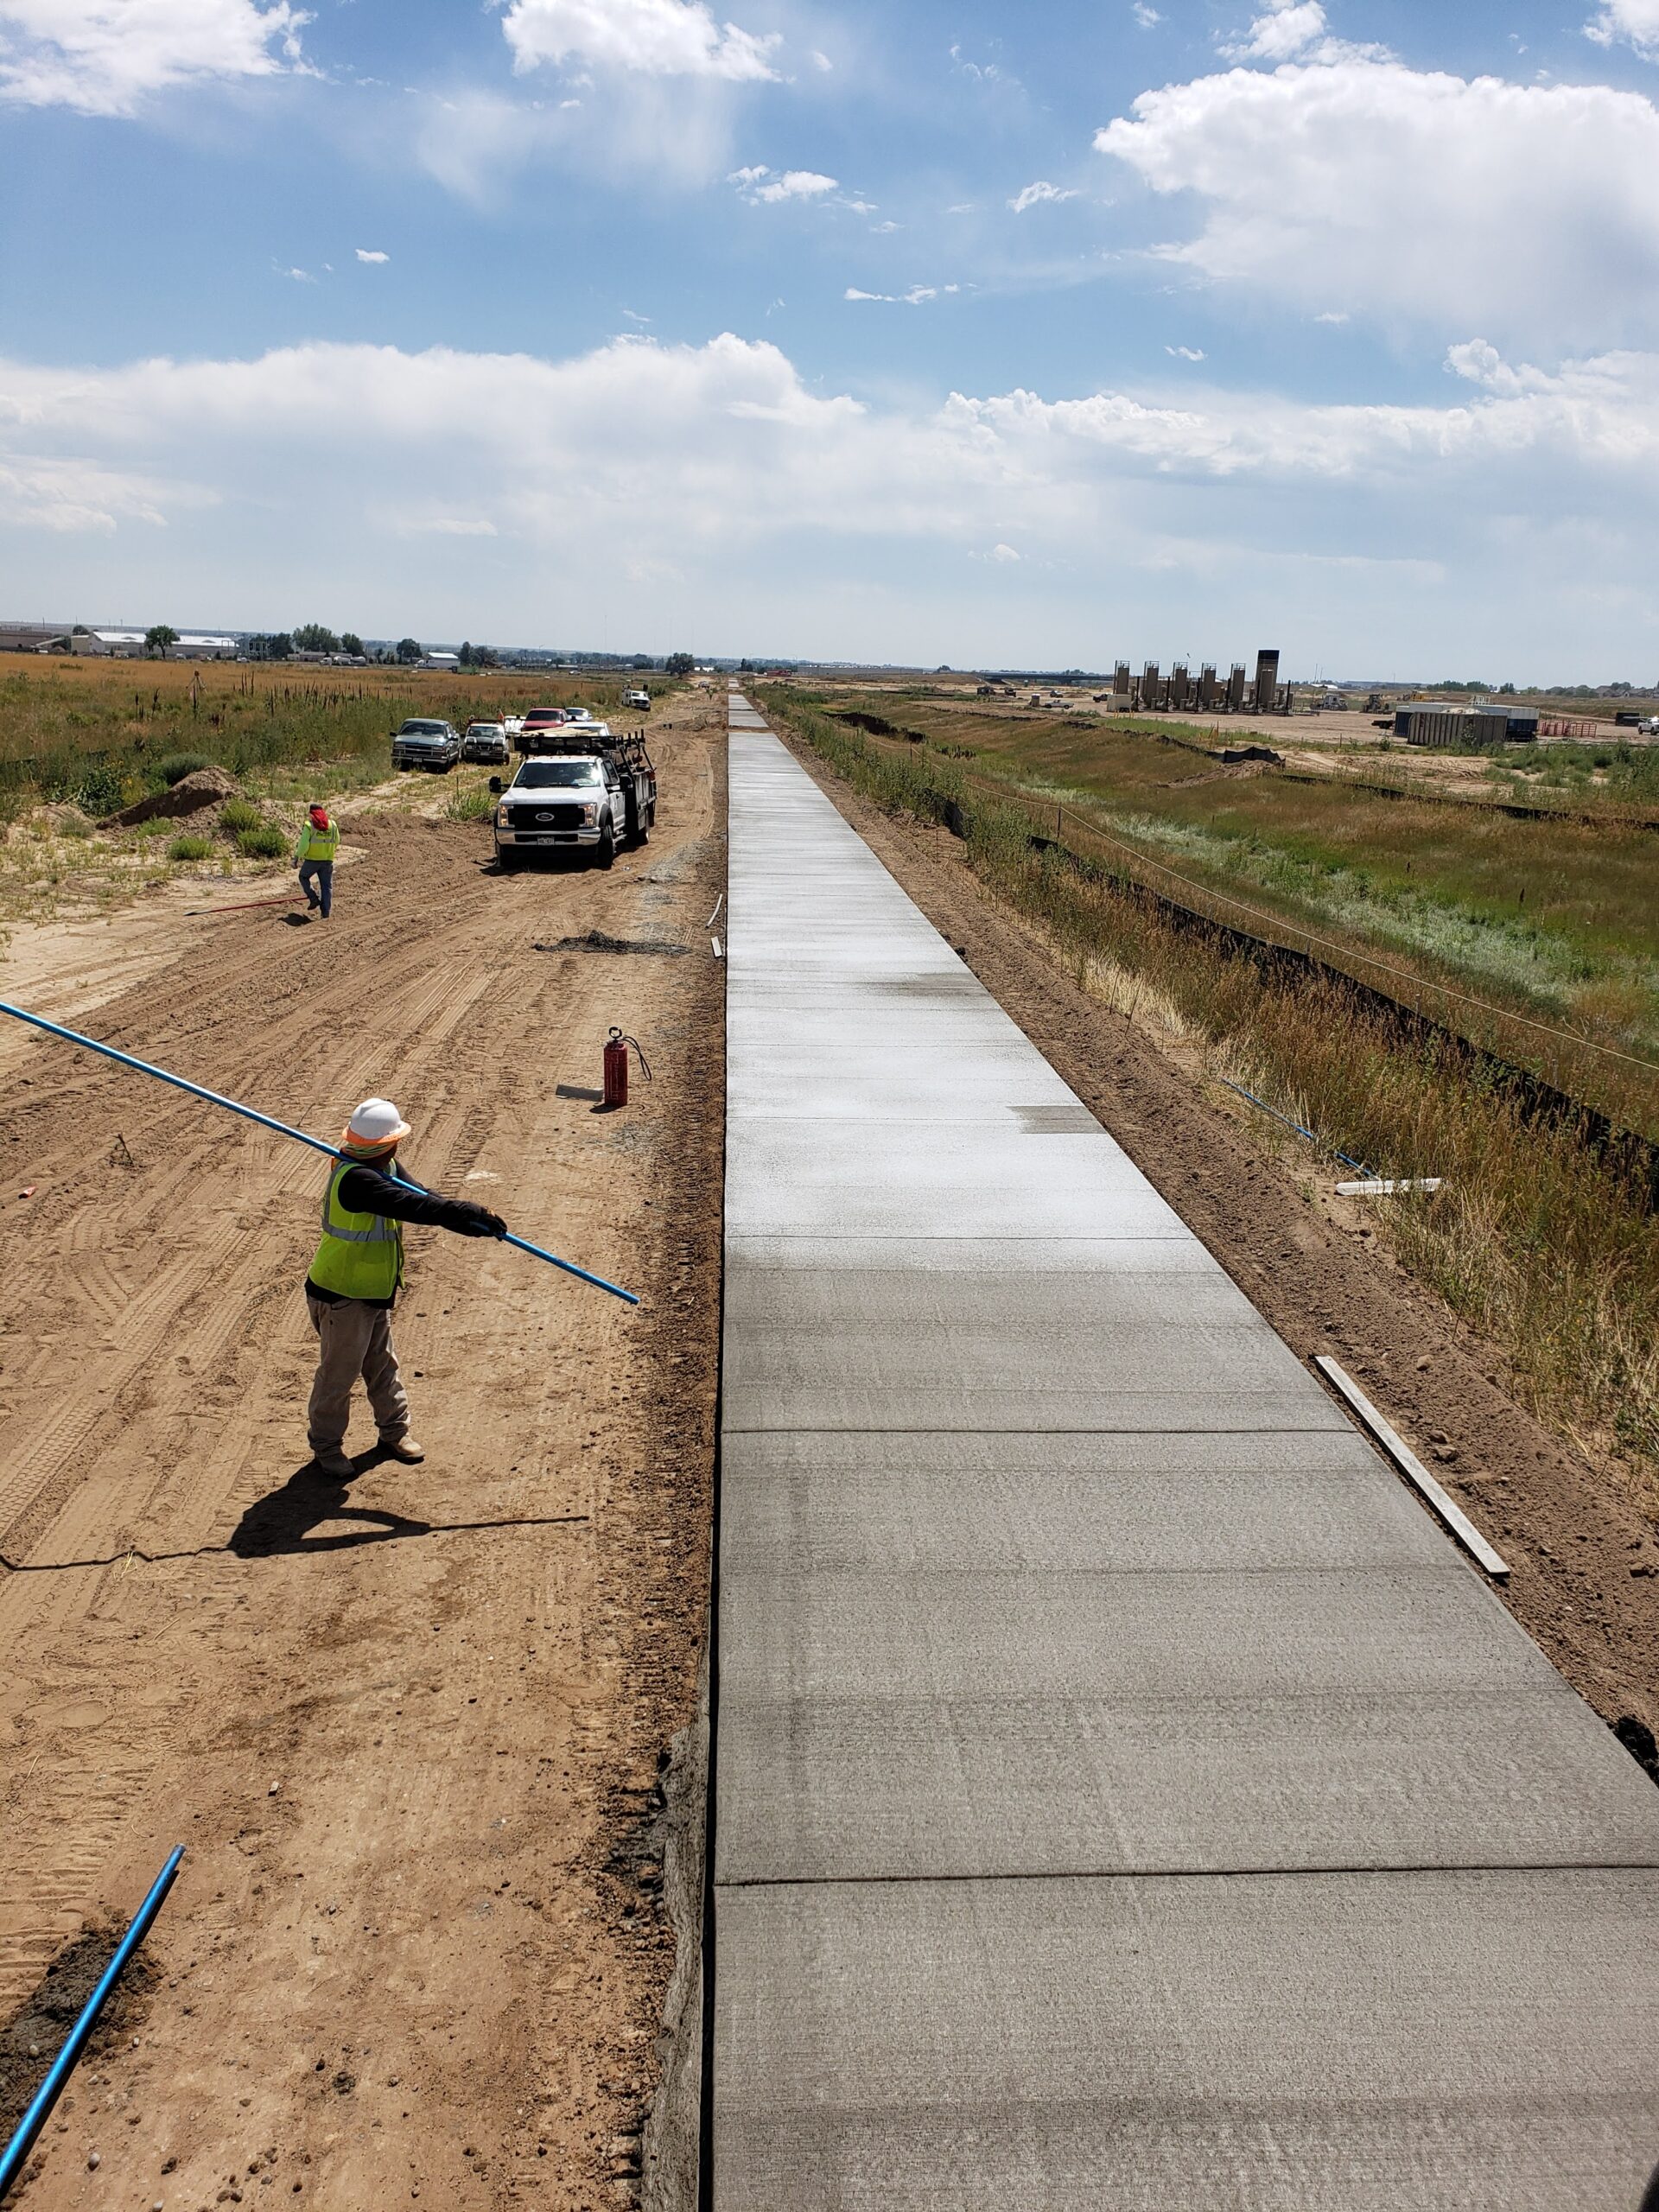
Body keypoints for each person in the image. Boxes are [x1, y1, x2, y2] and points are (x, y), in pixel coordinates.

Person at [305, 1096, 506, 1478]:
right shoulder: (358, 1180)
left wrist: (467, 1222)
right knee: (339, 1376)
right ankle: (327, 1447)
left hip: (373, 1290)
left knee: (382, 1365)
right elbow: (412, 1208)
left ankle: (394, 1433)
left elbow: (424, 1197)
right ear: (389, 1142)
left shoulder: (384, 1164)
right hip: (341, 1295)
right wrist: (462, 1212)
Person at [295, 802, 339, 918]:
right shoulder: (333, 825)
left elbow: (303, 845)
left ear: (311, 813)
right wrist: (328, 852)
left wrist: (297, 857)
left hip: (312, 860)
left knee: (303, 877)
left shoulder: (309, 825)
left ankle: (314, 899)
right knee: (326, 886)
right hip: (328, 860)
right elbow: (337, 841)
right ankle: (326, 913)